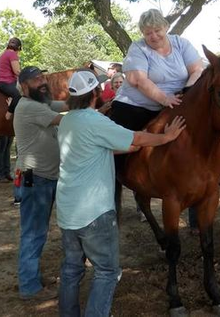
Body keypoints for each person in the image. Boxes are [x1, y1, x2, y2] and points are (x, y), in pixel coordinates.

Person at [56, 69, 186, 317]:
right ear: (95, 93)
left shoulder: (67, 121)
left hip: (67, 211)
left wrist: (133, 146)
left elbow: (101, 148)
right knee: (107, 272)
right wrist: (166, 137)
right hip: (94, 212)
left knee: (71, 270)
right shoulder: (95, 121)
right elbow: (136, 137)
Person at [110, 9, 203, 221]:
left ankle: (196, 200)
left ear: (166, 27)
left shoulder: (181, 44)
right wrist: (164, 98)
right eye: (148, 32)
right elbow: (137, 80)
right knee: (116, 145)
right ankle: (113, 188)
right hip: (135, 105)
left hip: (174, 104)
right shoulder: (138, 48)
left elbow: (197, 69)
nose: (153, 36)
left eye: (157, 30)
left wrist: (186, 92)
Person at [14, 66, 68, 301]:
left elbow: (66, 106)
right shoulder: (29, 107)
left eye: (43, 77)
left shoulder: (42, 103)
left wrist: (93, 99)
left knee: (37, 232)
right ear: (24, 86)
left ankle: (31, 278)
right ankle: (28, 286)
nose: (43, 81)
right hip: (36, 180)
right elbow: (63, 120)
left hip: (44, 178)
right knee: (33, 233)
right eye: (37, 79)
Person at [0, 37, 22, 104]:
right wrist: (28, 75)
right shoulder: (12, 54)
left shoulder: (4, 53)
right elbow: (17, 71)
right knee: (18, 95)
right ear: (18, 47)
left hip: (4, 81)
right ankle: (8, 114)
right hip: (6, 82)